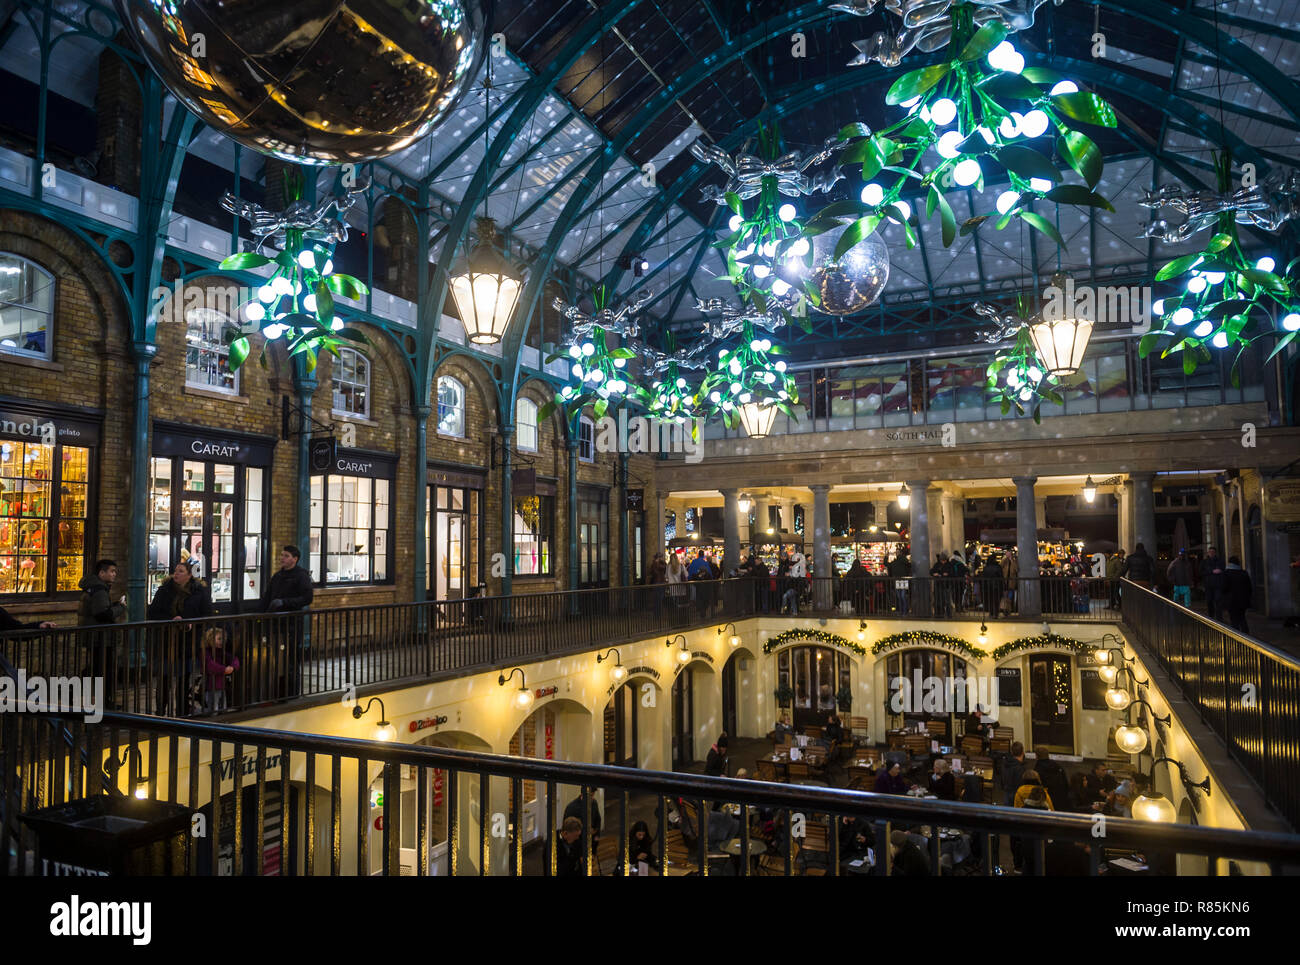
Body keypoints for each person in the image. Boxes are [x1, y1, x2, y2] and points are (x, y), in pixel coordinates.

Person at [148, 560, 214, 714]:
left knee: (184, 678)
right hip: (166, 640)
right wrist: (171, 619)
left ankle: (182, 710)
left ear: (190, 575)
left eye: (181, 571)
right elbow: (152, 612)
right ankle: (160, 711)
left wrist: (191, 622)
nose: (176, 574)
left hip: (188, 642)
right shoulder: (164, 590)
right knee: (164, 679)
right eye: (176, 570)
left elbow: (207, 615)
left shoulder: (199, 592)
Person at [258, 545, 314, 701]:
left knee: (290, 659)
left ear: (294, 559)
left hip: (291, 624)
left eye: (286, 555)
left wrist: (285, 602)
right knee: (277, 659)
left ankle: (291, 693)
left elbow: (307, 598)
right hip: (275, 624)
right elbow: (267, 597)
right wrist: (258, 615)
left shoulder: (301, 576)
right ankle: (278, 692)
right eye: (282, 555)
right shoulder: (278, 576)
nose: (282, 558)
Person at [79, 559, 127, 707]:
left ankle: (102, 700)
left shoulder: (94, 587)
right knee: (104, 670)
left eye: (115, 572)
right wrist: (120, 607)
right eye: (111, 571)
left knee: (99, 668)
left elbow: (99, 609)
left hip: (95, 635)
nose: (114, 575)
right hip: (100, 637)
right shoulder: (99, 589)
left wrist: (113, 605)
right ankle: (104, 701)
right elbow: (102, 614)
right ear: (102, 573)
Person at [201, 625, 239, 714]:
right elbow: (210, 665)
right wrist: (224, 669)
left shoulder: (221, 652)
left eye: (223, 639)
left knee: (223, 710)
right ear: (210, 639)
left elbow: (234, 658)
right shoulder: (205, 652)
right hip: (211, 687)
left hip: (222, 686)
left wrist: (233, 667)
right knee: (213, 711)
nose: (222, 642)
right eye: (219, 639)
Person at [1033, 745, 1070, 811]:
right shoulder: (1057, 766)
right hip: (1061, 800)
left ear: (1036, 756)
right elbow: (1065, 783)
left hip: (1046, 802)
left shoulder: (1037, 770)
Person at [1224, 556, 1254, 634]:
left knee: (1234, 619)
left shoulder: (1227, 573)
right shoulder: (1244, 573)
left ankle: (1236, 635)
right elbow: (1249, 587)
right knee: (1242, 618)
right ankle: (1246, 635)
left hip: (1231, 600)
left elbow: (1224, 587)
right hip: (1243, 600)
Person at [1001, 741, 1028, 806]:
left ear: (1012, 752)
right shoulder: (1020, 768)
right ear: (1022, 752)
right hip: (1016, 795)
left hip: (1006, 793)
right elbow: (1020, 784)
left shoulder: (1005, 763)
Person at [1202, 546, 1225, 621]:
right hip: (1208, 585)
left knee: (1218, 601)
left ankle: (1219, 618)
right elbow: (1201, 572)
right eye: (1210, 552)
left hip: (1217, 585)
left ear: (1215, 553)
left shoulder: (1220, 561)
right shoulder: (1204, 562)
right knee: (1209, 601)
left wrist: (1220, 571)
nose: (1211, 553)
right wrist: (1212, 571)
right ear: (1208, 553)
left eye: (1213, 552)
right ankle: (1211, 616)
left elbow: (1223, 570)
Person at [981, 553, 1004, 619]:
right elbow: (1001, 576)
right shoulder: (997, 567)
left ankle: (991, 613)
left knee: (990, 600)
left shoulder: (986, 567)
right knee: (996, 600)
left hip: (987, 586)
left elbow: (983, 577)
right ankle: (995, 614)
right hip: (996, 586)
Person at [648, 552, 667, 618]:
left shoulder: (659, 563)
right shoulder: (655, 564)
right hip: (657, 582)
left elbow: (664, 568)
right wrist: (657, 563)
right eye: (661, 557)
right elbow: (655, 572)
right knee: (657, 599)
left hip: (660, 582)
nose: (662, 558)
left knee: (659, 599)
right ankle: (656, 614)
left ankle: (658, 614)